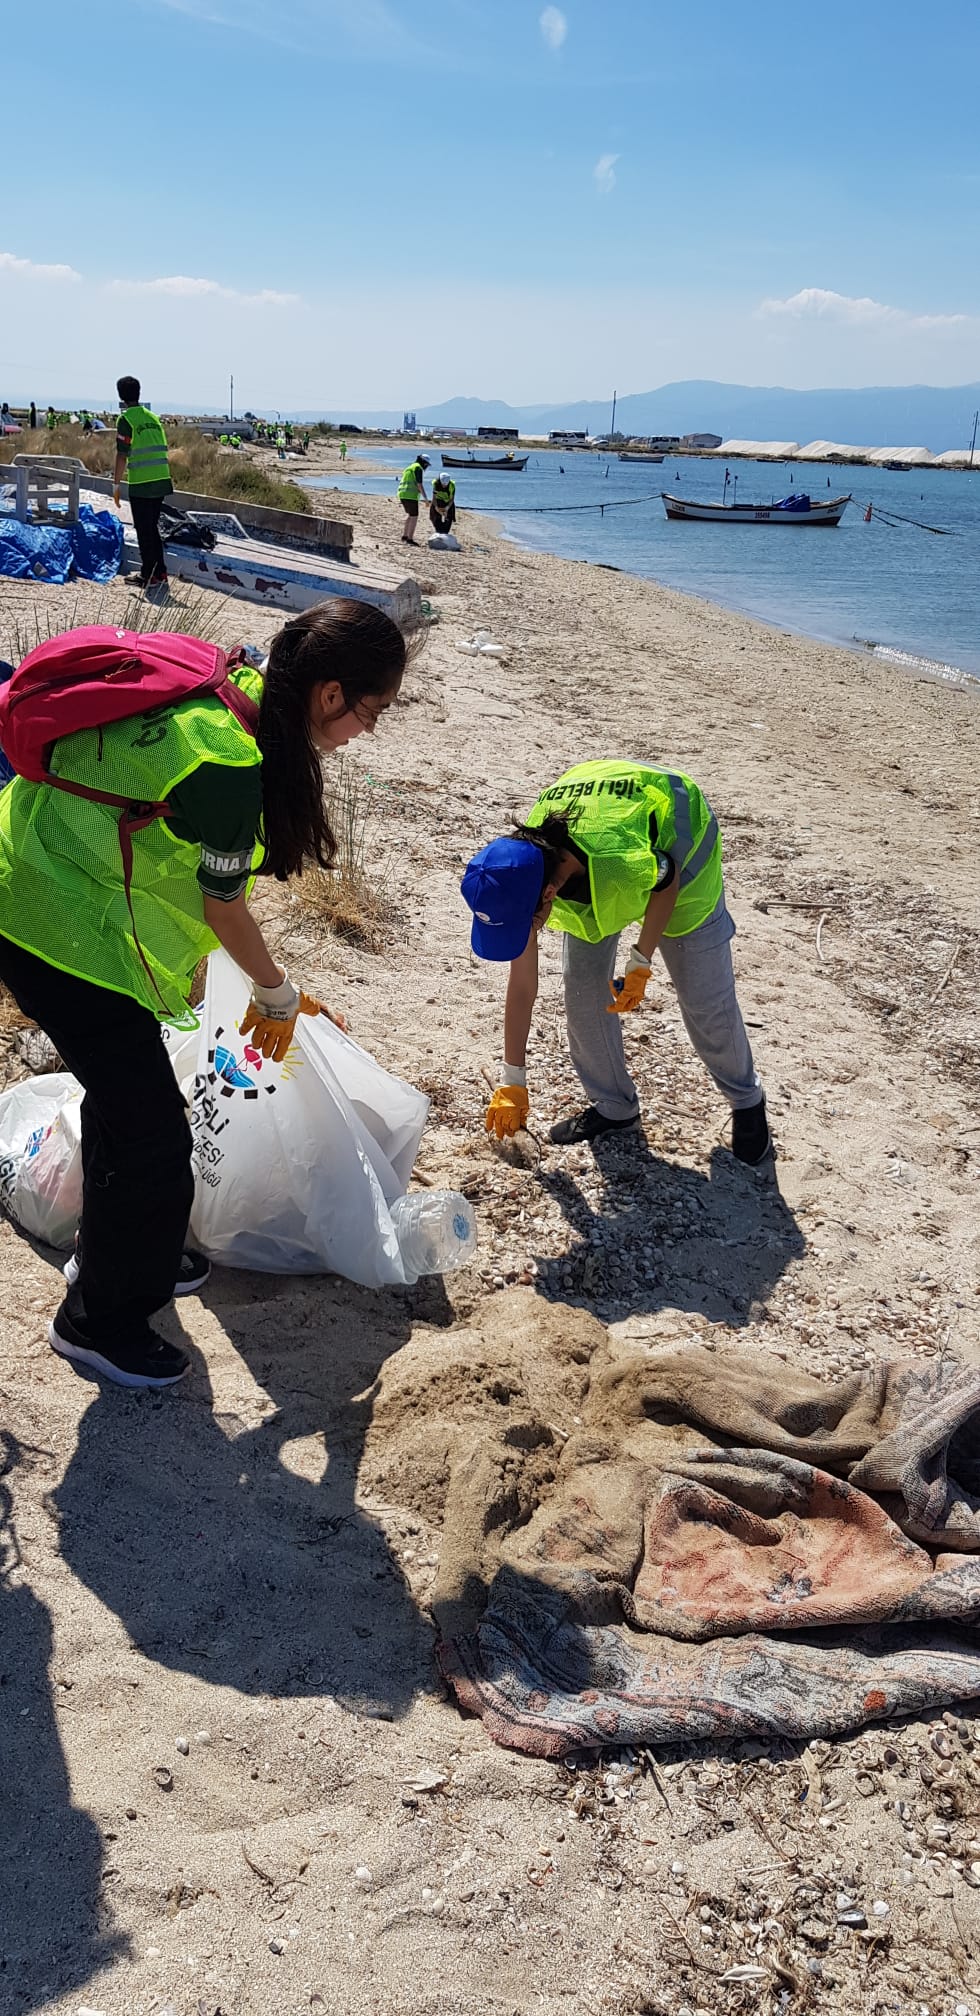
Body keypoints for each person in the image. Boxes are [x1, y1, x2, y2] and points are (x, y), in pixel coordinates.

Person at [0, 600, 409, 1391]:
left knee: (128, 1101)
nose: (367, 730)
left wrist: (278, 989)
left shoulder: (240, 684)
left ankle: (119, 1246)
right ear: (329, 695)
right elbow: (224, 907)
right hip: (39, 917)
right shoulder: (227, 765)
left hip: (40, 875)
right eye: (372, 711)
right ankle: (97, 1322)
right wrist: (278, 992)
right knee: (154, 1133)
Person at [461, 758, 771, 1161]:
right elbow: (522, 986)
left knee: (703, 998)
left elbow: (668, 877)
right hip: (601, 836)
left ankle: (747, 1100)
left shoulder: (616, 866)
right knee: (584, 989)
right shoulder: (515, 874)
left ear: (549, 897)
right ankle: (615, 1108)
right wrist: (512, 1081)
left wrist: (641, 959)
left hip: (682, 846)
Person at [113, 375, 173, 596]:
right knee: (151, 527)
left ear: (120, 395)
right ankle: (160, 572)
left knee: (144, 529)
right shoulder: (152, 417)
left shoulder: (126, 420)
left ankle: (149, 575)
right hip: (161, 479)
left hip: (142, 481)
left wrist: (116, 484)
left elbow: (122, 454)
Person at [397, 454, 429, 543]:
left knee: (411, 515)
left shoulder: (409, 467)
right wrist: (426, 498)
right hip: (410, 495)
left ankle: (405, 536)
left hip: (402, 494)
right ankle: (410, 539)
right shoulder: (418, 468)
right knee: (414, 516)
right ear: (424, 463)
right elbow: (419, 484)